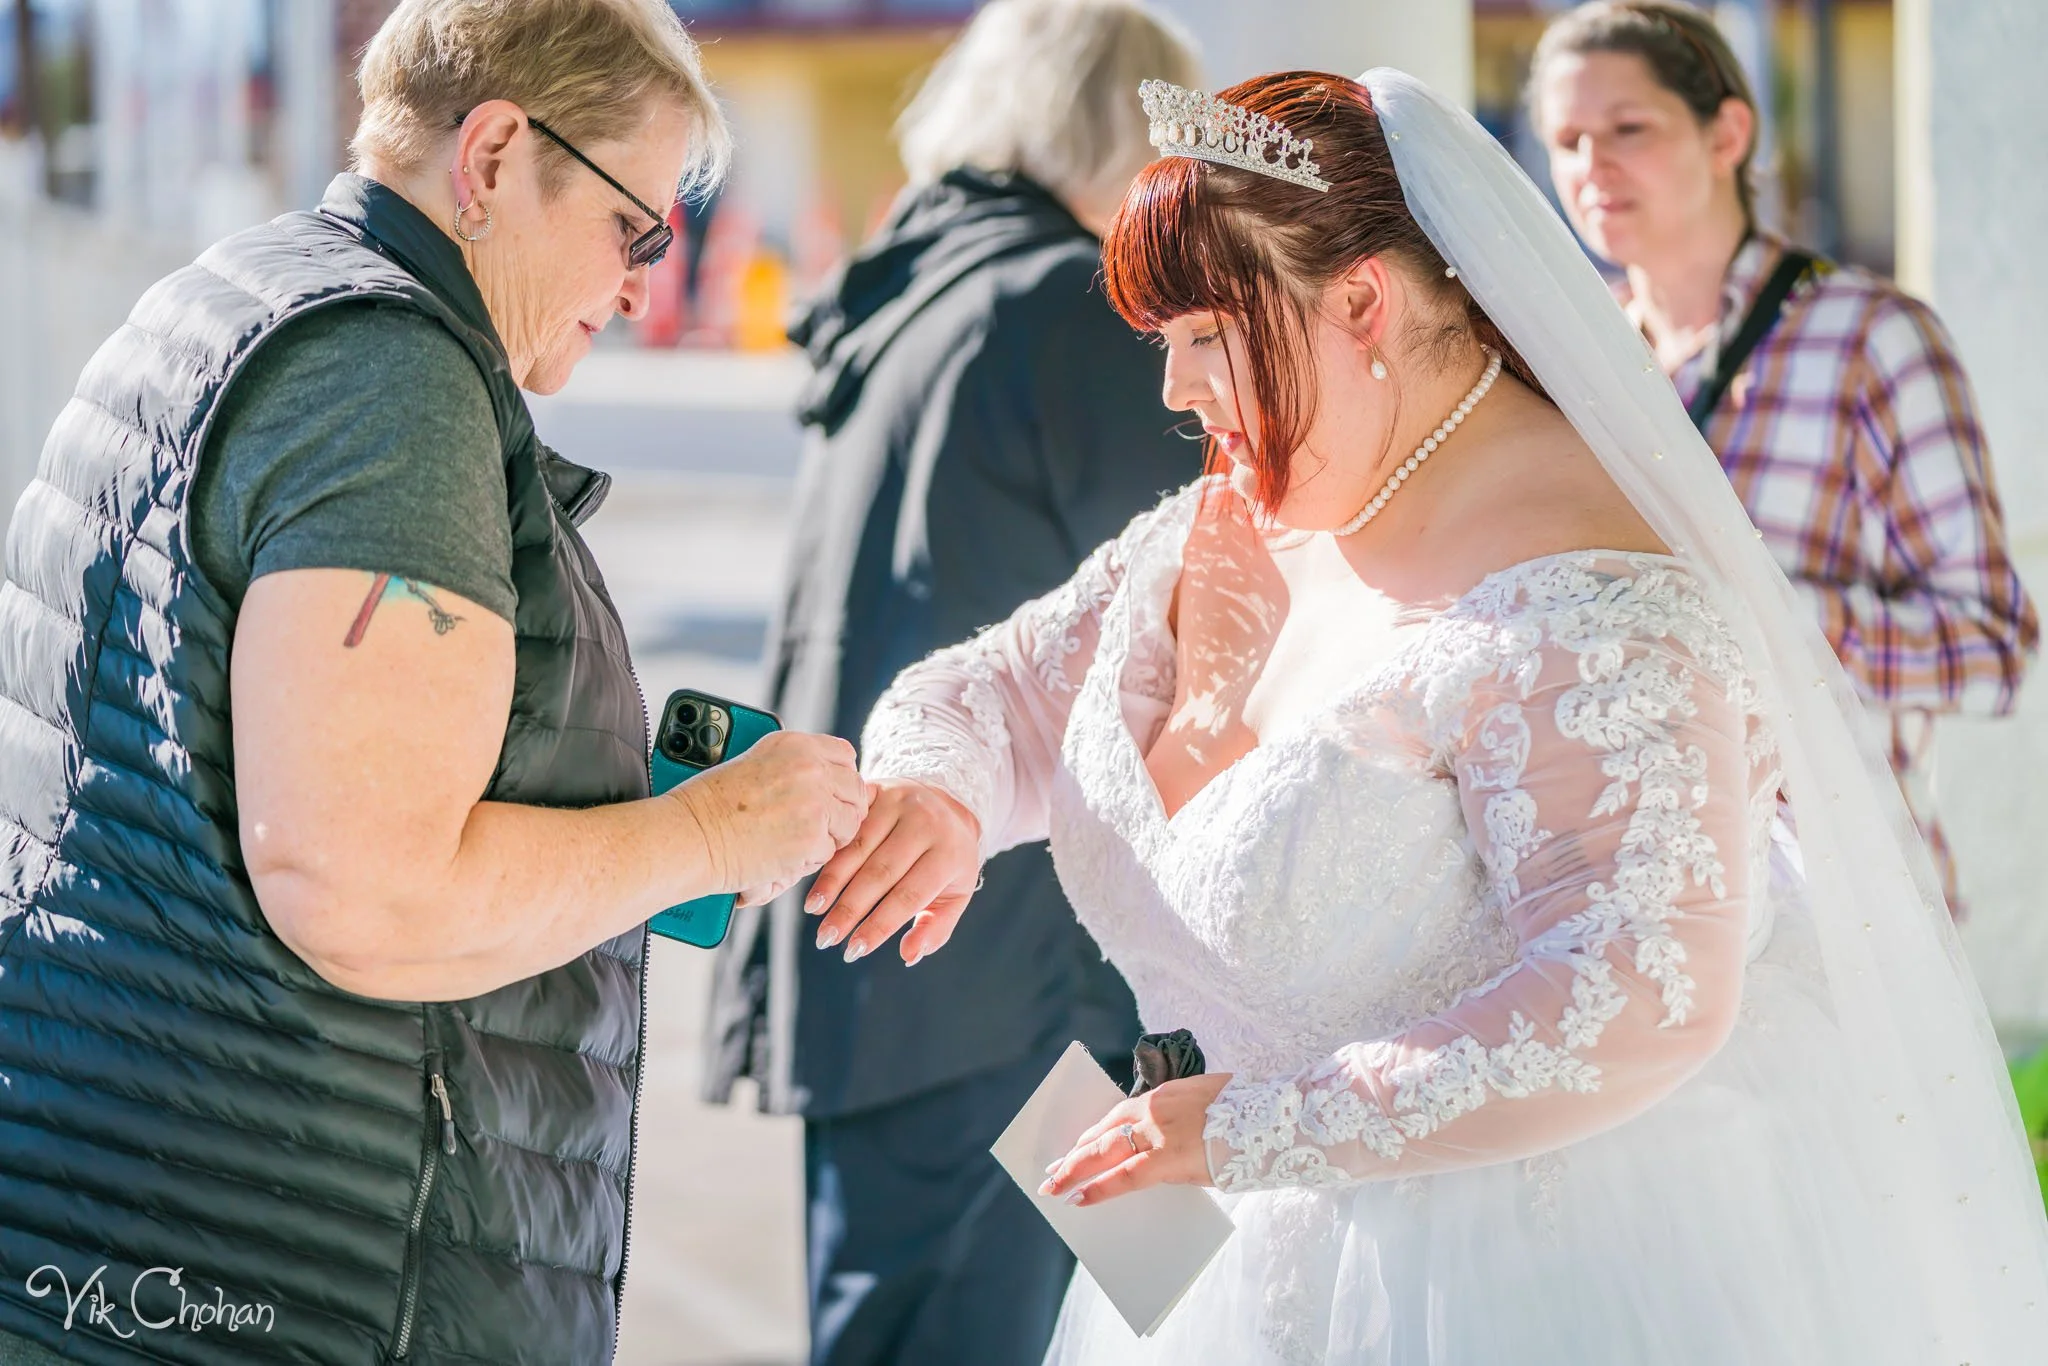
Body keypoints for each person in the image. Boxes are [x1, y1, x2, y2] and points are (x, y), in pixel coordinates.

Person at [802, 69, 2048, 1363]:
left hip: (1498, 1275)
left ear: (1360, 301)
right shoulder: (1237, 512)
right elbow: (993, 683)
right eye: (1161, 343)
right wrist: (939, 789)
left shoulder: (1588, 603)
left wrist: (1256, 1132)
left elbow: (1642, 987)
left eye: (1207, 337)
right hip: (1202, 1244)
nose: (1174, 390)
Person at [0, 2, 867, 1363]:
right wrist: (706, 834)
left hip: (122, 1220)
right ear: (494, 157)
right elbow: (364, 886)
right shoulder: (388, 381)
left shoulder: (231, 297)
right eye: (635, 227)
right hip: (280, 1278)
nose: (647, 282)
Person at [699, 3, 1201, 1363]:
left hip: (898, 962)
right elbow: (1207, 614)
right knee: (1057, 1329)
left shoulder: (907, 297)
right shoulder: (1065, 311)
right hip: (1022, 993)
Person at [1529, 0, 2036, 913]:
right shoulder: (1565, 356)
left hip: (1838, 898)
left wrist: (1758, 615)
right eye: (1566, 140)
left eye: (1627, 128)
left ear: (1728, 132)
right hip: (1625, 891)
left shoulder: (1874, 337)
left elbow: (1994, 648)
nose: (1590, 168)